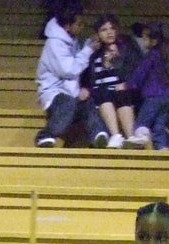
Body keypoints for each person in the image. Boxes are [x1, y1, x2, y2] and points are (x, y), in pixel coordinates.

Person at [35, 0, 108, 149]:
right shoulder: (55, 44)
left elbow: (77, 60)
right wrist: (89, 49)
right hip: (54, 93)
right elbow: (69, 70)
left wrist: (89, 44)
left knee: (87, 103)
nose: (82, 27)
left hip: (71, 93)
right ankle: (45, 135)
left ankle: (99, 135)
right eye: (79, 24)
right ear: (67, 26)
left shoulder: (71, 40)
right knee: (67, 103)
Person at [83, 13, 144, 148]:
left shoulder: (127, 47)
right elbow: (86, 77)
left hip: (123, 92)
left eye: (112, 28)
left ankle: (130, 137)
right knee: (102, 92)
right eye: (104, 30)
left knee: (120, 93)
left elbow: (139, 69)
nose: (109, 32)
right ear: (98, 34)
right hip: (101, 95)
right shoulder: (93, 53)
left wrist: (126, 81)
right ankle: (116, 136)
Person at [125, 22, 169, 149]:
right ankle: (163, 148)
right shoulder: (165, 56)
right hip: (166, 97)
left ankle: (141, 141)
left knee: (141, 123)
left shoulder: (151, 56)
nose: (143, 40)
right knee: (159, 126)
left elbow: (140, 73)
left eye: (145, 38)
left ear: (154, 41)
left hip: (153, 96)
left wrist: (128, 85)